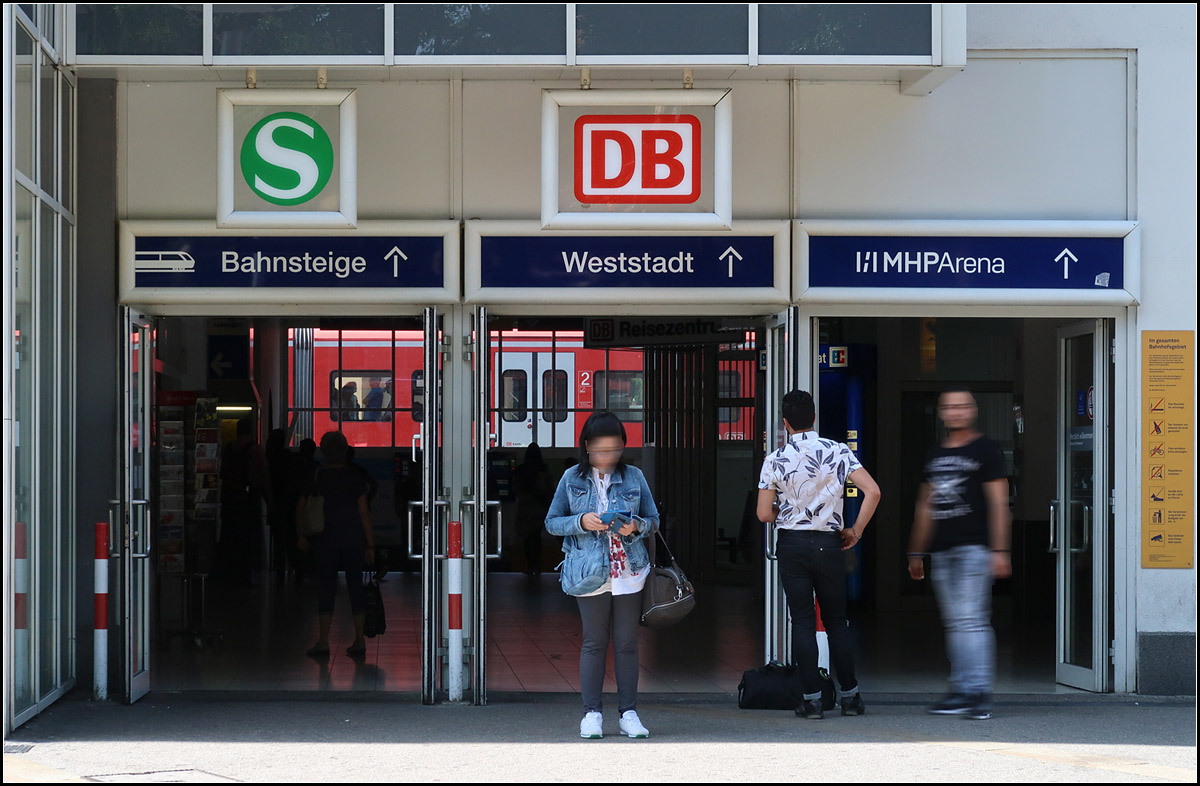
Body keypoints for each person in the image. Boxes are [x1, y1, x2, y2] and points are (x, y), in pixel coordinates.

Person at [757, 390, 881, 720]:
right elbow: (874, 491)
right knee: (837, 622)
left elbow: (762, 515)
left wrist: (783, 507)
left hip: (792, 546)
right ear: (814, 417)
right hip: (829, 544)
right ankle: (851, 697)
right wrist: (855, 530)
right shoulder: (838, 451)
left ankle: (811, 700)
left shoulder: (775, 459)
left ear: (784, 423)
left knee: (802, 621)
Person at [545, 412, 659, 739]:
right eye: (600, 451)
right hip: (588, 570)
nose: (608, 457)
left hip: (630, 569)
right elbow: (552, 522)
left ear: (623, 446)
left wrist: (636, 525)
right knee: (594, 642)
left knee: (626, 643)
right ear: (586, 447)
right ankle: (591, 714)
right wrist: (581, 522)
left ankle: (629, 714)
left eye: (614, 450)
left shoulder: (634, 476)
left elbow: (654, 519)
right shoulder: (571, 479)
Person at [907, 386, 1011, 721]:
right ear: (941, 412)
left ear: (973, 410)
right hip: (942, 550)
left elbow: (998, 503)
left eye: (961, 406)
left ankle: (978, 693)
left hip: (974, 549)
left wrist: (1000, 550)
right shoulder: (935, 453)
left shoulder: (987, 450)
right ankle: (961, 689)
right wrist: (916, 551)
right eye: (948, 407)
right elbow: (925, 504)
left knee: (971, 620)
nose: (955, 411)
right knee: (955, 623)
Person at [297, 430, 375, 658]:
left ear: (324, 451)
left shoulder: (316, 476)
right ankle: (359, 639)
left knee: (326, 588)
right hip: (353, 539)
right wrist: (371, 545)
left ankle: (323, 641)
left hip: (325, 540)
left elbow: (300, 507)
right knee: (355, 586)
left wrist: (301, 535)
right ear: (345, 451)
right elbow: (364, 513)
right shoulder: (355, 477)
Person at [219, 418, 270, 587]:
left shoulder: (228, 448)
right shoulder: (255, 450)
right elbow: (263, 475)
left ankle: (230, 572)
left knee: (231, 536)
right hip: (249, 499)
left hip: (230, 499)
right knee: (249, 537)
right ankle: (247, 574)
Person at [514, 443, 554, 574]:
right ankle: (536, 565)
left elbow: (515, 489)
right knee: (536, 538)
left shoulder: (521, 470)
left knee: (526, 539)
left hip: (524, 509)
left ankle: (529, 565)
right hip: (539, 509)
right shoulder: (544, 470)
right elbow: (550, 491)